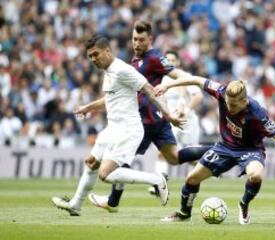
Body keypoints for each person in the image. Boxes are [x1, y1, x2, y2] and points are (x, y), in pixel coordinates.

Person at [51, 34, 184, 216]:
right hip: (112, 129)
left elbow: (149, 91)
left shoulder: (123, 70)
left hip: (128, 130)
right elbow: (110, 99)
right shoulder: (108, 72)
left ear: (107, 51)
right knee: (91, 162)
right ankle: (75, 204)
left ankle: (156, 179)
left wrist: (168, 115)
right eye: (90, 56)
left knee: (105, 174)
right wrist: (87, 108)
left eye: (96, 54)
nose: (93, 59)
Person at [88, 20, 210, 212]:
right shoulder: (136, 60)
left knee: (121, 160)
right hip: (157, 119)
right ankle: (217, 150)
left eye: (141, 40)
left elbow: (176, 73)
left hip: (143, 120)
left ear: (150, 39)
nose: (137, 43)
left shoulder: (154, 58)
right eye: (134, 39)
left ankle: (113, 201)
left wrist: (185, 84)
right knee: (174, 157)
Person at [154, 76, 275, 224]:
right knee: (192, 178)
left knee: (256, 176)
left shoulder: (258, 113)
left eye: (233, 105)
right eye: (227, 103)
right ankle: (184, 214)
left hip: (250, 149)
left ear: (244, 102)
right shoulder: (221, 91)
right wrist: (169, 85)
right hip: (225, 147)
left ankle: (244, 204)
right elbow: (196, 80)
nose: (229, 107)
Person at [148, 50, 203, 194]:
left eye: (173, 60)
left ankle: (197, 180)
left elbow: (198, 96)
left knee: (191, 157)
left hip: (188, 122)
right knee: (164, 152)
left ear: (178, 62)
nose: (170, 63)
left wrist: (187, 110)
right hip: (170, 120)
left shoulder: (184, 77)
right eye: (168, 60)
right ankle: (160, 184)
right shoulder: (160, 79)